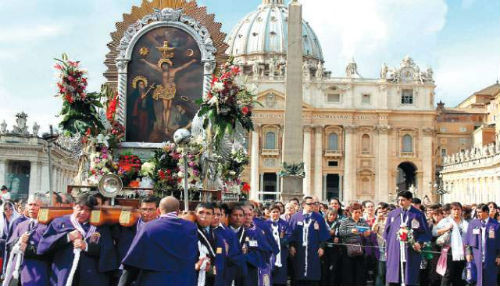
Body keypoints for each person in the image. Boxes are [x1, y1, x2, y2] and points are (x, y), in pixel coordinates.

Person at [37, 194, 118, 286]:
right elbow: (44, 246)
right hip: (63, 271)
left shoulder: (100, 226)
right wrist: (67, 237)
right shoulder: (59, 222)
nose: (83, 212)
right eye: (80, 208)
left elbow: (107, 252)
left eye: (87, 210)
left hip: (91, 275)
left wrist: (87, 247)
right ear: (73, 206)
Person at [119, 196, 198, 286]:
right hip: (184, 280)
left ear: (158, 211)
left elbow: (133, 261)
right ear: (178, 211)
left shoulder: (149, 228)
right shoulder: (191, 228)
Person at [384, 190, 431, 286]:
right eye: (399, 200)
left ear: (410, 200)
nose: (400, 202)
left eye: (403, 200)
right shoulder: (393, 214)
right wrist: (387, 249)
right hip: (395, 250)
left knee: (409, 277)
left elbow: (425, 232)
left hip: (410, 251)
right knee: (394, 277)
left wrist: (419, 242)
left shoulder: (418, 214)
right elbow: (387, 233)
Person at [3, 195, 49, 286]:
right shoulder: (21, 225)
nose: (32, 207)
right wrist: (19, 241)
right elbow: (9, 246)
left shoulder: (48, 226)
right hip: (16, 274)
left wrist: (27, 248)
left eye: (35, 205)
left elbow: (48, 250)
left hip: (35, 275)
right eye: (30, 204)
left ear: (44, 207)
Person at [287, 196, 330, 286]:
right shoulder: (296, 217)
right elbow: (291, 233)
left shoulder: (318, 217)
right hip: (299, 250)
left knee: (312, 273)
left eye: (314, 204)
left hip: (313, 250)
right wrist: (291, 245)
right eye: (309, 204)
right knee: (298, 272)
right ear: (303, 205)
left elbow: (323, 233)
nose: (312, 206)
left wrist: (322, 247)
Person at [433, 202, 468, 286]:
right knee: (448, 274)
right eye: (454, 209)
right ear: (451, 211)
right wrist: (446, 229)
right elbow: (434, 232)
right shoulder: (445, 221)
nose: (456, 211)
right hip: (449, 250)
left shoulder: (466, 223)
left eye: (458, 209)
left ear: (461, 211)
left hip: (462, 251)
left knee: (459, 275)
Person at [465, 203, 500, 286]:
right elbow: (468, 239)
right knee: (476, 279)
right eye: (477, 212)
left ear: (486, 212)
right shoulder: (473, 224)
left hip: (491, 256)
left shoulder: (496, 225)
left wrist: (499, 256)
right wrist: (468, 252)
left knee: (490, 279)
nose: (478, 214)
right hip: (476, 256)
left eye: (480, 212)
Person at [338, 202, 371, 285]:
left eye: (359, 212)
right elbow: (340, 233)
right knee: (348, 273)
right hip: (348, 249)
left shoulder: (363, 221)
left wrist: (366, 233)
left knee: (360, 273)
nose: (358, 214)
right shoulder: (345, 221)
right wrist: (351, 231)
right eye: (355, 212)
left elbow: (367, 232)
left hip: (360, 249)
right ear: (351, 212)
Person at [194, 203, 227, 286]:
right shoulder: (190, 232)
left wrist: (214, 269)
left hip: (212, 279)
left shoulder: (217, 236)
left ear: (212, 216)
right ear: (195, 214)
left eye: (208, 213)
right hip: (195, 278)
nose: (204, 216)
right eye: (201, 212)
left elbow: (220, 258)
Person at [240, 205, 273, 286]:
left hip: (255, 268)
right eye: (244, 215)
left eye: (249, 215)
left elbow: (267, 250)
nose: (247, 217)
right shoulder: (236, 230)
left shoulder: (258, 231)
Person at [268, 204, 289, 286]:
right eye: (273, 212)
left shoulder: (284, 224)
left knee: (280, 279)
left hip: (281, 254)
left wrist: (281, 240)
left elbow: (289, 236)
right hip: (269, 255)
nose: (275, 214)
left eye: (277, 212)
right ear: (269, 213)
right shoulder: (265, 224)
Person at [321, 208, 343, 286]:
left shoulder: (338, 224)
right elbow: (323, 234)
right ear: (327, 215)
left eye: (334, 215)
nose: (332, 216)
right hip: (325, 249)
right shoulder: (323, 223)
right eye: (330, 214)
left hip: (334, 250)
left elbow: (339, 234)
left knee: (333, 269)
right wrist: (330, 233)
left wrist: (337, 237)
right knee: (325, 270)